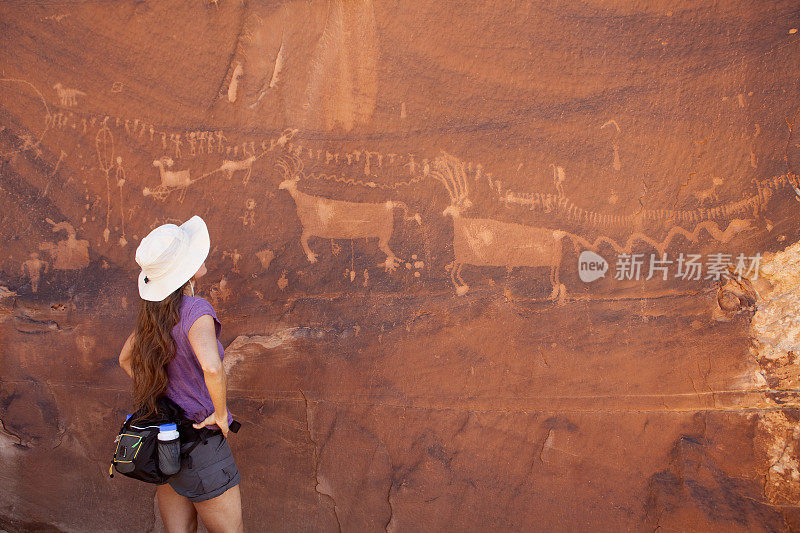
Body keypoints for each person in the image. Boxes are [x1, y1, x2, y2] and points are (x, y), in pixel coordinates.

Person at [118, 215, 244, 533]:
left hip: (166, 443)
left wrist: (164, 398)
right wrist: (219, 414)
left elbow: (125, 359)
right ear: (185, 267)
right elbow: (212, 366)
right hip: (202, 446)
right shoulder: (194, 310)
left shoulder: (154, 313)